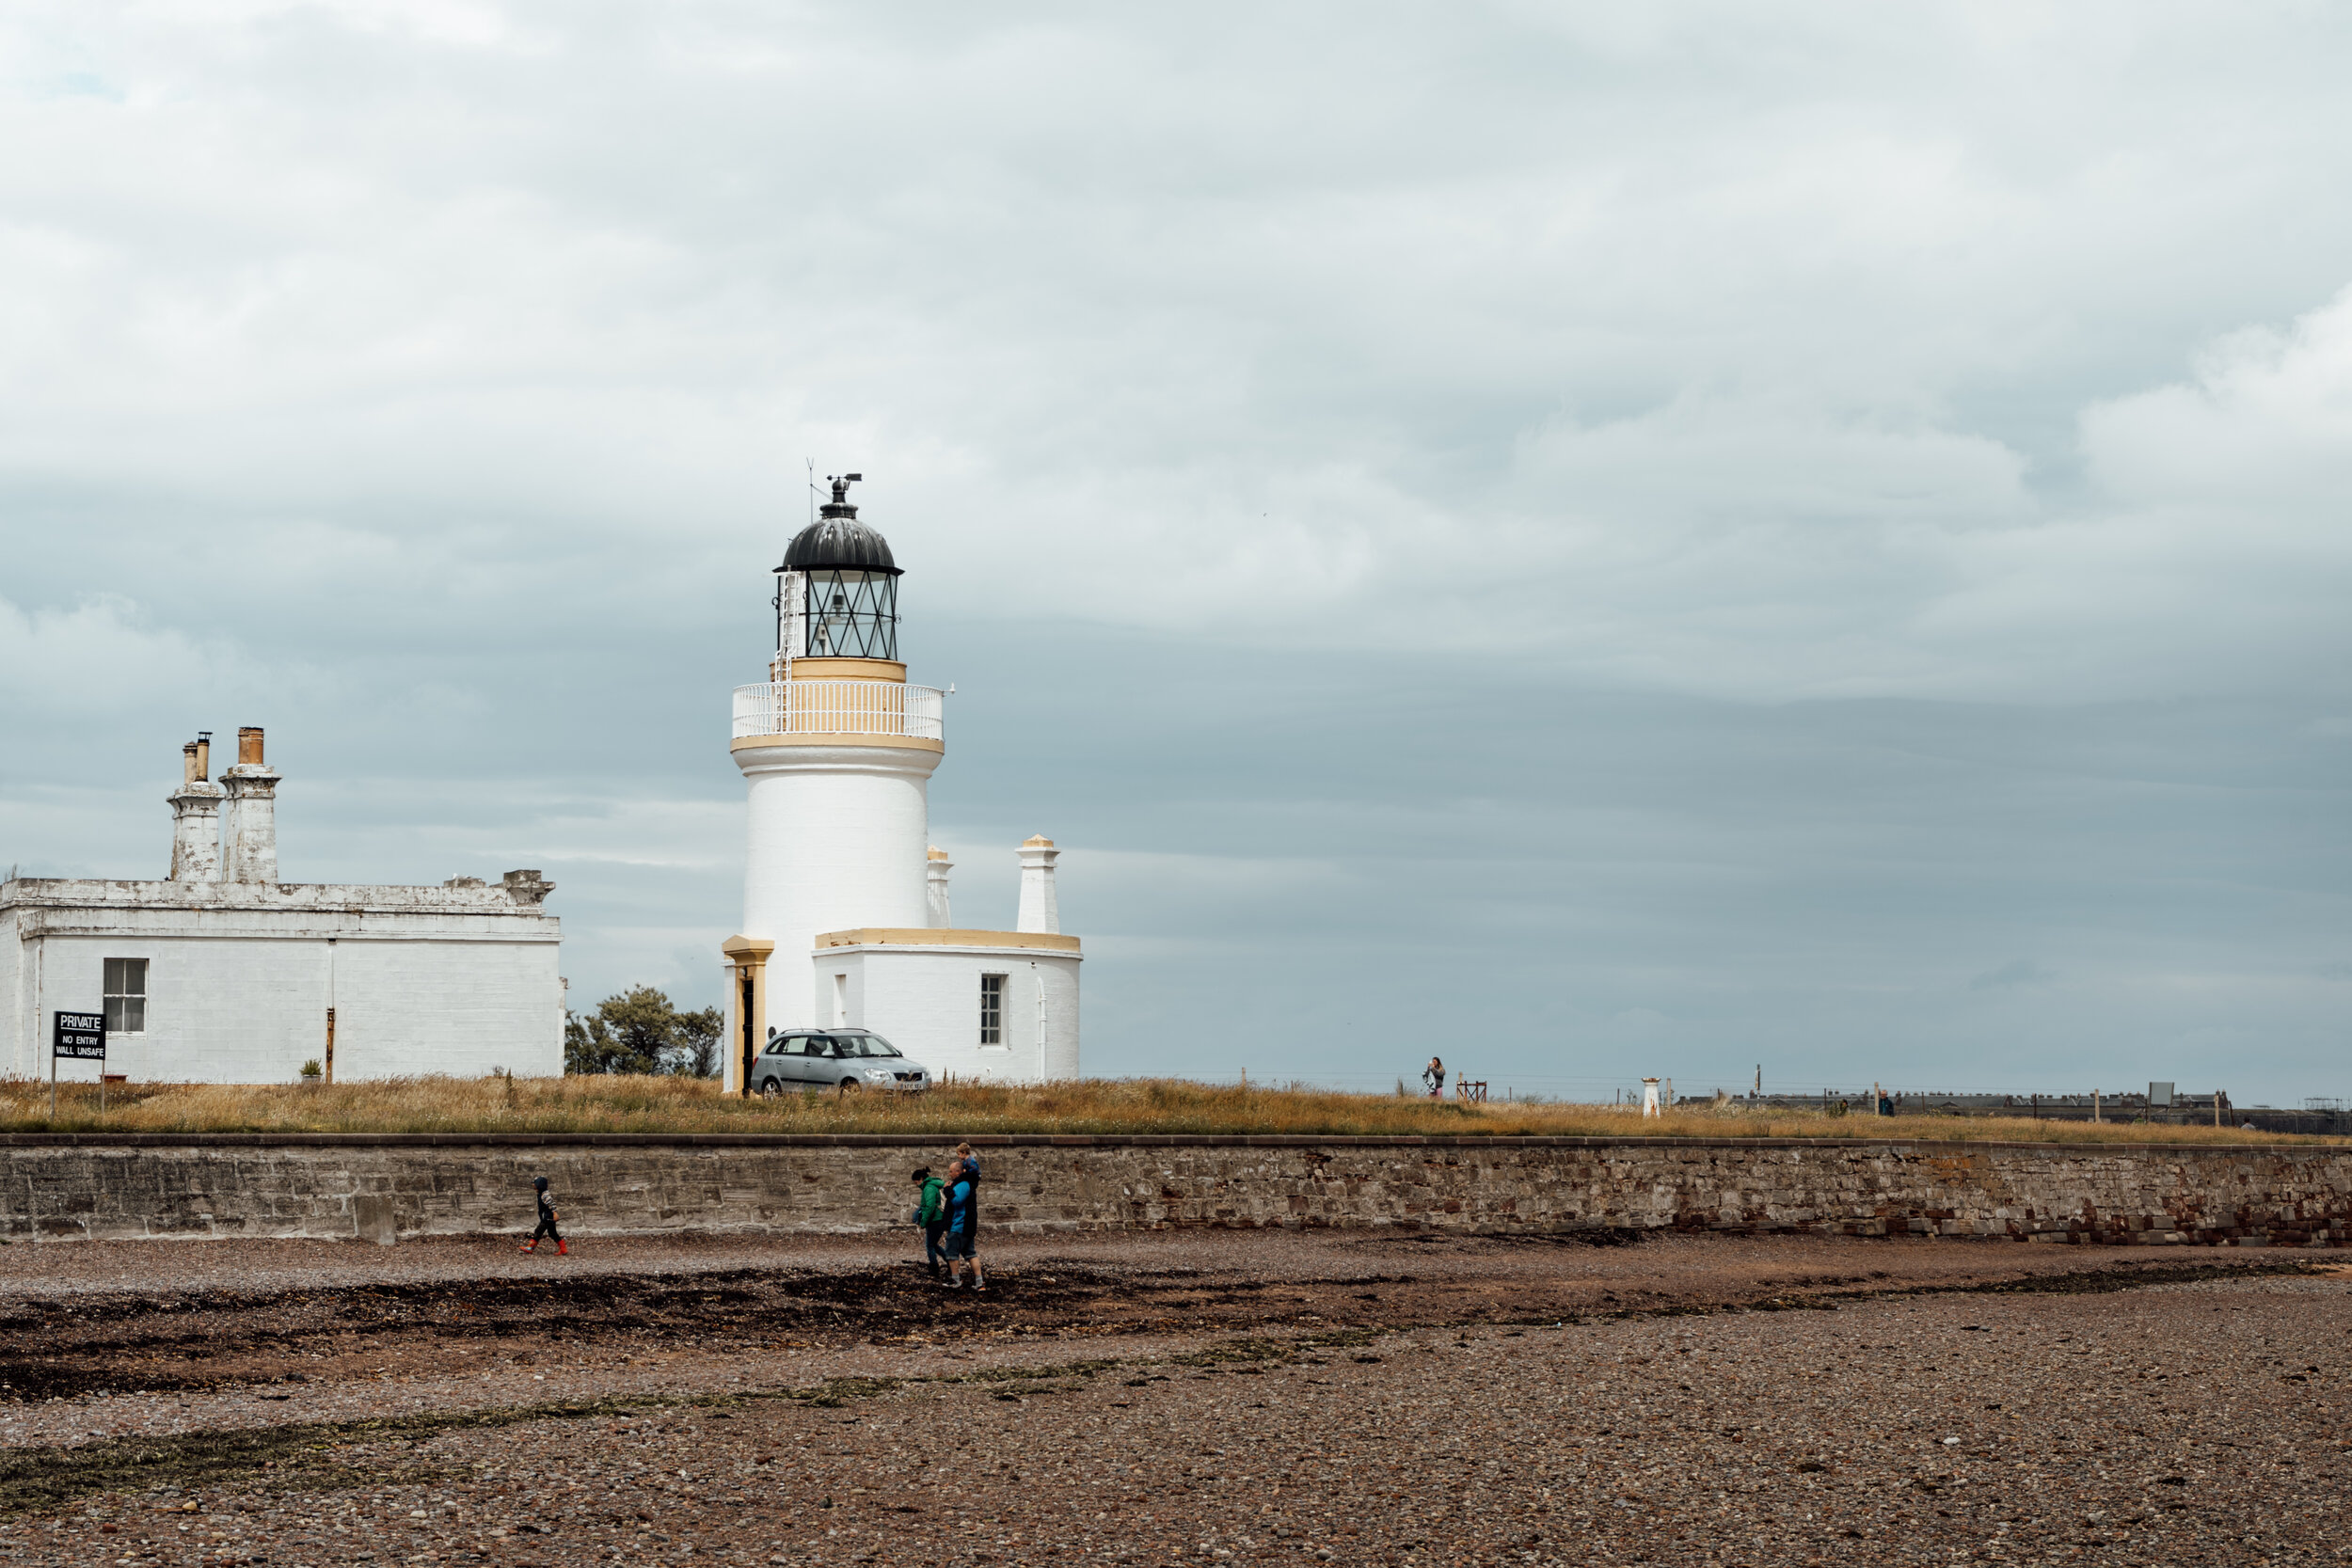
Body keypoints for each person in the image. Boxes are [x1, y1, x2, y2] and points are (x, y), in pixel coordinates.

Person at [942, 1156, 986, 1291]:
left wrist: (947, 1190)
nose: (949, 1174)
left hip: (959, 1226)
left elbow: (957, 1201)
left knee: (951, 1254)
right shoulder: (968, 1183)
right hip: (967, 1227)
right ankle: (979, 1282)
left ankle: (956, 1281)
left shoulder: (963, 1184)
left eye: (951, 1171)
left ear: (958, 1172)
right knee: (970, 1254)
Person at [912, 1165, 947, 1277]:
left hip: (935, 1221)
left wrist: (923, 1222)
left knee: (930, 1246)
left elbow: (930, 1207)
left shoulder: (929, 1188)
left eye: (916, 1182)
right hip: (938, 1220)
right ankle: (950, 1262)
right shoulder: (931, 1186)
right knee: (933, 1244)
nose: (916, 1185)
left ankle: (934, 1269)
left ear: (921, 1179)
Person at [520, 1175, 566, 1255]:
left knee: (538, 1231)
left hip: (548, 1217)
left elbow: (551, 1203)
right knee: (552, 1233)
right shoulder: (541, 1193)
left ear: (539, 1184)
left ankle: (530, 1247)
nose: (533, 1185)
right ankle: (563, 1248)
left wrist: (555, 1213)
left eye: (534, 1183)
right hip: (547, 1216)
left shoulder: (545, 1195)